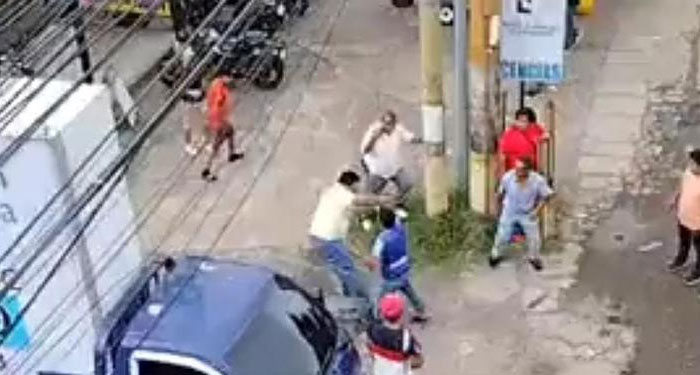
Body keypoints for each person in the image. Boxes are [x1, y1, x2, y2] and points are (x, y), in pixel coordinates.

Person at [309, 170, 395, 299]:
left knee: (342, 268)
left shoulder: (336, 200)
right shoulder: (341, 193)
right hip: (326, 239)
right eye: (357, 185)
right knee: (348, 271)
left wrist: (363, 257)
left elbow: (348, 240)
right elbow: (360, 201)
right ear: (351, 183)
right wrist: (382, 200)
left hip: (320, 237)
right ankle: (356, 301)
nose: (359, 189)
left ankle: (345, 294)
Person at [489, 157, 553, 271]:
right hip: (510, 211)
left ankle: (534, 258)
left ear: (528, 170)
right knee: (502, 235)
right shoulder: (508, 177)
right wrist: (497, 210)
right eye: (516, 168)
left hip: (528, 213)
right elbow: (500, 193)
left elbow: (546, 196)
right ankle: (495, 255)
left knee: (534, 238)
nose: (517, 172)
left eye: (521, 169)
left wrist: (537, 211)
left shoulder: (538, 181)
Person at [366, 207, 427, 322]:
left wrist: (369, 264)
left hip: (391, 276)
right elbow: (400, 215)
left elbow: (374, 260)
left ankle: (378, 319)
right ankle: (421, 311)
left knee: (382, 299)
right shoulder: (401, 228)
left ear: (381, 223)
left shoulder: (382, 239)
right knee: (409, 291)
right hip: (404, 270)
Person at [361, 110, 421, 209]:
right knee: (370, 195)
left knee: (407, 184)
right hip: (378, 170)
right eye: (387, 124)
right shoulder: (373, 131)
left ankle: (397, 203)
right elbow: (365, 150)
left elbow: (409, 137)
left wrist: (421, 140)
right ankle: (372, 211)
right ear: (382, 123)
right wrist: (374, 138)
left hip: (394, 168)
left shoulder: (398, 129)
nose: (389, 127)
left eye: (391, 124)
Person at [367, 293, 424, 375]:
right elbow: (419, 361)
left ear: (382, 314)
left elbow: (369, 347)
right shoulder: (406, 338)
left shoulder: (373, 329)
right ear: (401, 315)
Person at [201, 71, 244, 181]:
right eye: (229, 78)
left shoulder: (216, 83)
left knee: (231, 132)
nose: (231, 80)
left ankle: (232, 154)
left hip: (219, 119)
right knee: (216, 145)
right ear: (224, 77)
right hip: (218, 121)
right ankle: (206, 170)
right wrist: (221, 123)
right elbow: (216, 108)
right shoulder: (220, 91)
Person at [668, 148, 700, 286]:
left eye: (694, 164)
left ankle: (698, 272)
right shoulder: (688, 173)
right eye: (691, 162)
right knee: (684, 241)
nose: (691, 166)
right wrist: (674, 199)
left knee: (699, 248)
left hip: (698, 223)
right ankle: (681, 259)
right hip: (683, 216)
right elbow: (682, 188)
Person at [498, 107, 548, 176]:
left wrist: (540, 138)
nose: (520, 124)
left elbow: (546, 136)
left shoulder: (534, 129)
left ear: (530, 123)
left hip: (529, 172)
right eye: (519, 120)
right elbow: (502, 156)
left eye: (524, 121)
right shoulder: (509, 133)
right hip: (512, 174)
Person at [181, 76, 206, 156]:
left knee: (200, 121)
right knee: (188, 125)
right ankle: (188, 145)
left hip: (196, 97)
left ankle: (200, 139)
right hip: (189, 103)